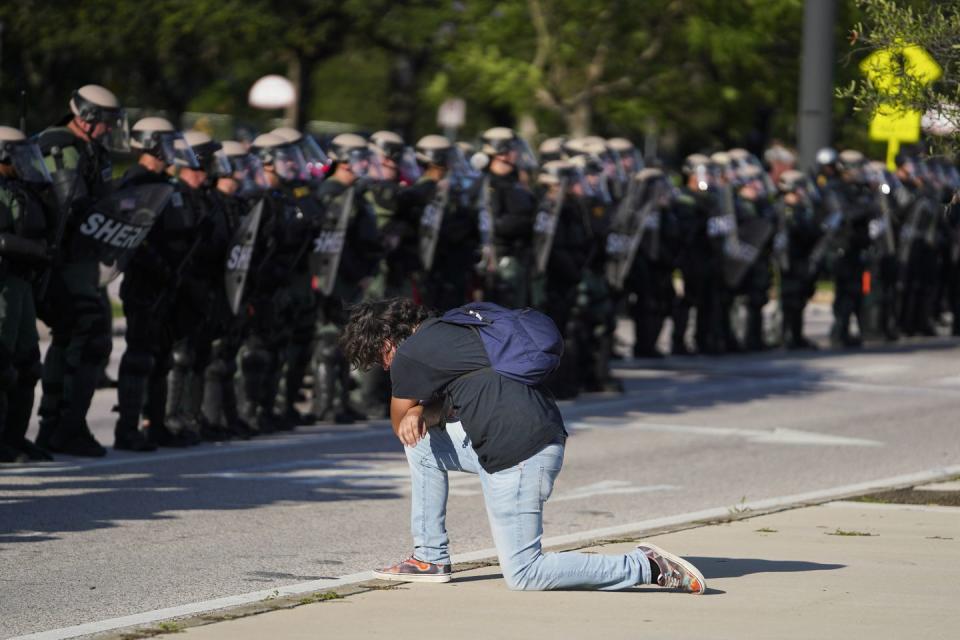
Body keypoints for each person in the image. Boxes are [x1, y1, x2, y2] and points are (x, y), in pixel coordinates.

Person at [340, 297, 705, 594]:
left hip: (518, 454)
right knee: (421, 447)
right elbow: (454, 401)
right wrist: (425, 414)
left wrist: (416, 409)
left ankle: (645, 566)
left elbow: (398, 422)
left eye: (379, 359)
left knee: (525, 572)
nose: (385, 368)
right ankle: (429, 557)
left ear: (387, 342)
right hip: (539, 432)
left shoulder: (410, 355)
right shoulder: (458, 326)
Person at [0, 126, 54, 462]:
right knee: (1, 365)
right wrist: (30, 248)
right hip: (2, 283)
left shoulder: (21, 189)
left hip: (21, 282)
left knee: (28, 365)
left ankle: (16, 437)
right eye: (18, 155)